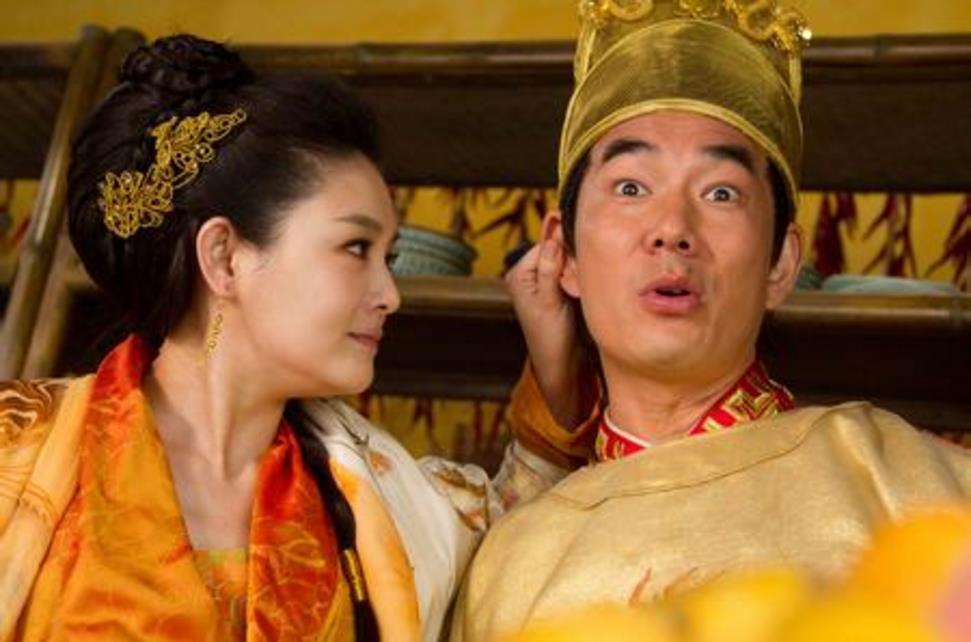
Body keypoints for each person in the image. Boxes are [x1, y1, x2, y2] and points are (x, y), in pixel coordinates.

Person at [0, 35, 566, 642]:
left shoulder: (382, 502)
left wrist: (555, 372)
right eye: (356, 247)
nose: (390, 294)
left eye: (390, 257)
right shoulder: (18, 451)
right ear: (224, 257)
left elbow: (515, 569)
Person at [450, 2, 971, 641]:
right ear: (565, 254)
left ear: (781, 263)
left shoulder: (895, 474)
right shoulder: (509, 560)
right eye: (631, 188)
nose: (672, 229)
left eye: (720, 193)